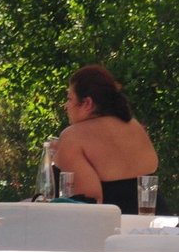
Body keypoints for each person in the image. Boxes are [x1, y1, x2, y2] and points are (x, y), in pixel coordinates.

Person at [54, 64, 169, 214]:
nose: (66, 106)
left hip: (115, 223)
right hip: (157, 219)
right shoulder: (133, 125)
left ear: (87, 103)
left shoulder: (72, 136)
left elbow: (88, 203)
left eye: (69, 99)